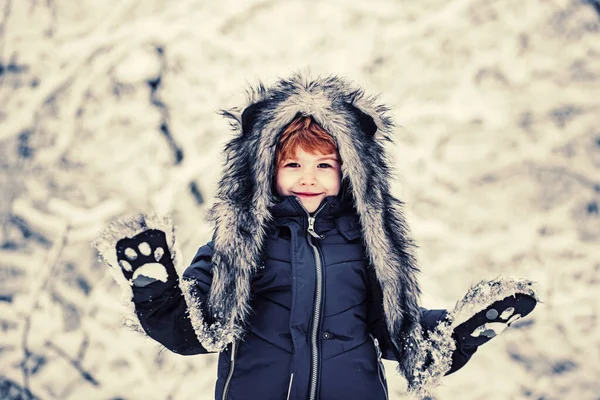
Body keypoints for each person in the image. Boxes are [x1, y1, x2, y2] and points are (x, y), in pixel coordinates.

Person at [95, 73, 538, 400]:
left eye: (323, 165)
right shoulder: (239, 242)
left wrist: (453, 331)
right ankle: (149, 279)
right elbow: (199, 331)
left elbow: (395, 333)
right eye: (293, 165)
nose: (309, 178)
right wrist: (158, 293)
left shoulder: (368, 246)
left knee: (430, 341)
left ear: (349, 172)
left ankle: (465, 330)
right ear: (266, 170)